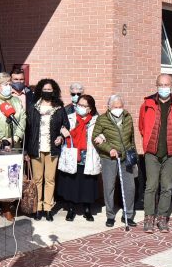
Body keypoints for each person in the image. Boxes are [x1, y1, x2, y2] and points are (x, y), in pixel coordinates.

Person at [139, 74, 172, 233]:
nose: (163, 87)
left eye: (166, 85)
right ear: (156, 85)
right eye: (161, 84)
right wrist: (147, 142)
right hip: (152, 152)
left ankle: (162, 219)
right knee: (151, 186)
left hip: (171, 153)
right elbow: (141, 126)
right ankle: (148, 219)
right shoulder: (147, 104)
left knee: (166, 187)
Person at [0, 72, 26, 221]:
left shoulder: (16, 101)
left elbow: (22, 120)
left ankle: (6, 207)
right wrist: (1, 141)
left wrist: (13, 139)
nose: (10, 86)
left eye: (10, 83)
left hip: (13, 145)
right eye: (6, 84)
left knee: (10, 177)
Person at [25, 79, 68, 222]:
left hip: (52, 148)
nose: (47, 92)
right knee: (37, 179)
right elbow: (27, 129)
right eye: (45, 89)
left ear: (54, 91)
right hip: (35, 148)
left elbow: (66, 126)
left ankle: (48, 208)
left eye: (50, 90)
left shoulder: (59, 108)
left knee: (50, 179)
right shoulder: (32, 107)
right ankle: (37, 208)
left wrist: (61, 137)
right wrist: (26, 151)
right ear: (40, 90)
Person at [92, 95, 137, 228]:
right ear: (109, 107)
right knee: (109, 187)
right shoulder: (102, 119)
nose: (118, 109)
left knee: (130, 187)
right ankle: (110, 215)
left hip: (126, 156)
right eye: (115, 107)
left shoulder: (128, 117)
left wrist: (133, 154)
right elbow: (95, 138)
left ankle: (128, 215)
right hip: (109, 158)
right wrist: (109, 149)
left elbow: (132, 138)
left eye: (120, 107)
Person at [57, 94, 100, 222]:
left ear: (90, 109)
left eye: (83, 106)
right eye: (79, 105)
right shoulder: (69, 118)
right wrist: (62, 134)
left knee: (87, 183)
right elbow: (60, 129)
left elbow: (103, 132)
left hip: (88, 155)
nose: (79, 107)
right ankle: (71, 209)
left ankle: (87, 209)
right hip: (73, 155)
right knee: (72, 182)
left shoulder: (96, 120)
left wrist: (102, 137)